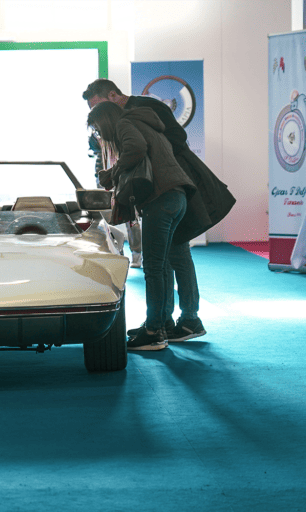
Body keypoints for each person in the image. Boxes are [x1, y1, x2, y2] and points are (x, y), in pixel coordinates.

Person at [83, 79, 234, 342]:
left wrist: (120, 172)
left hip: (165, 190)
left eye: (97, 109)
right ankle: (168, 320)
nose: (96, 123)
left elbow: (159, 145)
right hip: (175, 189)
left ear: (112, 97)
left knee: (166, 260)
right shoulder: (142, 117)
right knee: (170, 258)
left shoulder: (131, 120)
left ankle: (167, 325)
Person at [89, 102, 196, 351]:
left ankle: (153, 332)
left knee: (154, 267)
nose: (98, 134)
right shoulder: (145, 123)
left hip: (161, 199)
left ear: (105, 120)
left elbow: (136, 149)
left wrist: (113, 173)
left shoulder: (125, 124)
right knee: (164, 264)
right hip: (176, 197)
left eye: (97, 128)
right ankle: (161, 323)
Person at [89, 131, 142, 268]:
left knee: (132, 219)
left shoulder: (122, 132)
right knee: (102, 219)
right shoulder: (97, 135)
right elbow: (95, 153)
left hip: (123, 180)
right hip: (104, 181)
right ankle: (108, 253)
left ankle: (137, 254)